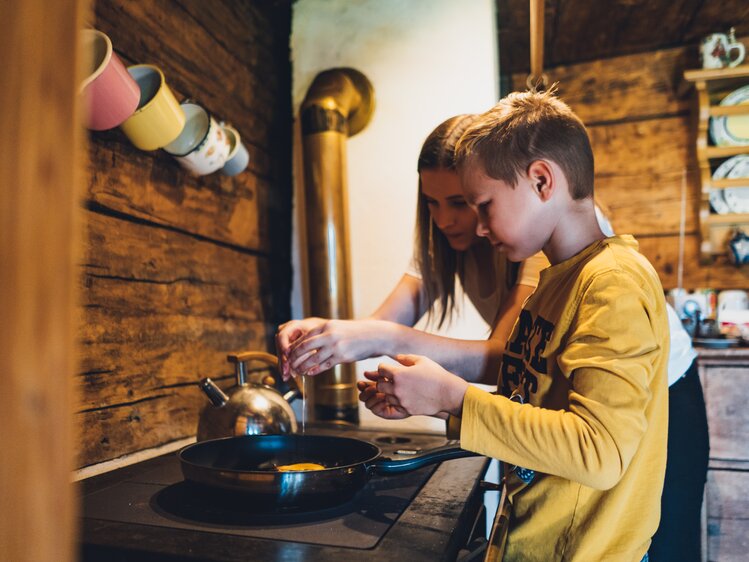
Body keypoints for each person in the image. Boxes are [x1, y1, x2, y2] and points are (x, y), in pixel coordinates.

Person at [359, 90, 670, 561]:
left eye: (484, 204)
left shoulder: (613, 283)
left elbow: (599, 451)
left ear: (542, 181)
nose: (479, 227)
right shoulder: (552, 284)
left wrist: (451, 396)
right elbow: (532, 396)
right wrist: (431, 399)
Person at [276, 114, 547, 385]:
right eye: (431, 202)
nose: (443, 221)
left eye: (458, 203)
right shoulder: (443, 243)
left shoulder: (535, 242)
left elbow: (505, 358)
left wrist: (382, 339)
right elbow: (381, 323)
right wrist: (324, 333)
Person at [596, 209, 709, 562]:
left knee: (670, 539)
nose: (447, 219)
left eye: (473, 203)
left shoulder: (557, 220)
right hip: (625, 389)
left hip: (666, 385)